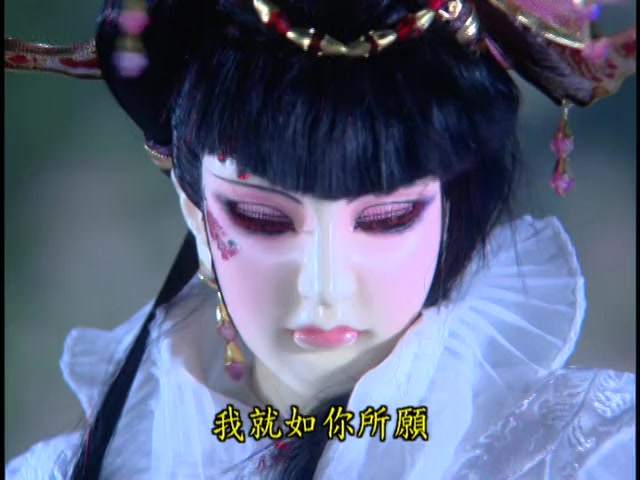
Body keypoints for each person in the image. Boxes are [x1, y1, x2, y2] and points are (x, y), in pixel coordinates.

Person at [5, 0, 636, 478]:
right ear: (195, 214)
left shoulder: (585, 449)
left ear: (447, 209)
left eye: (387, 219)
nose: (324, 285)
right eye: (262, 218)